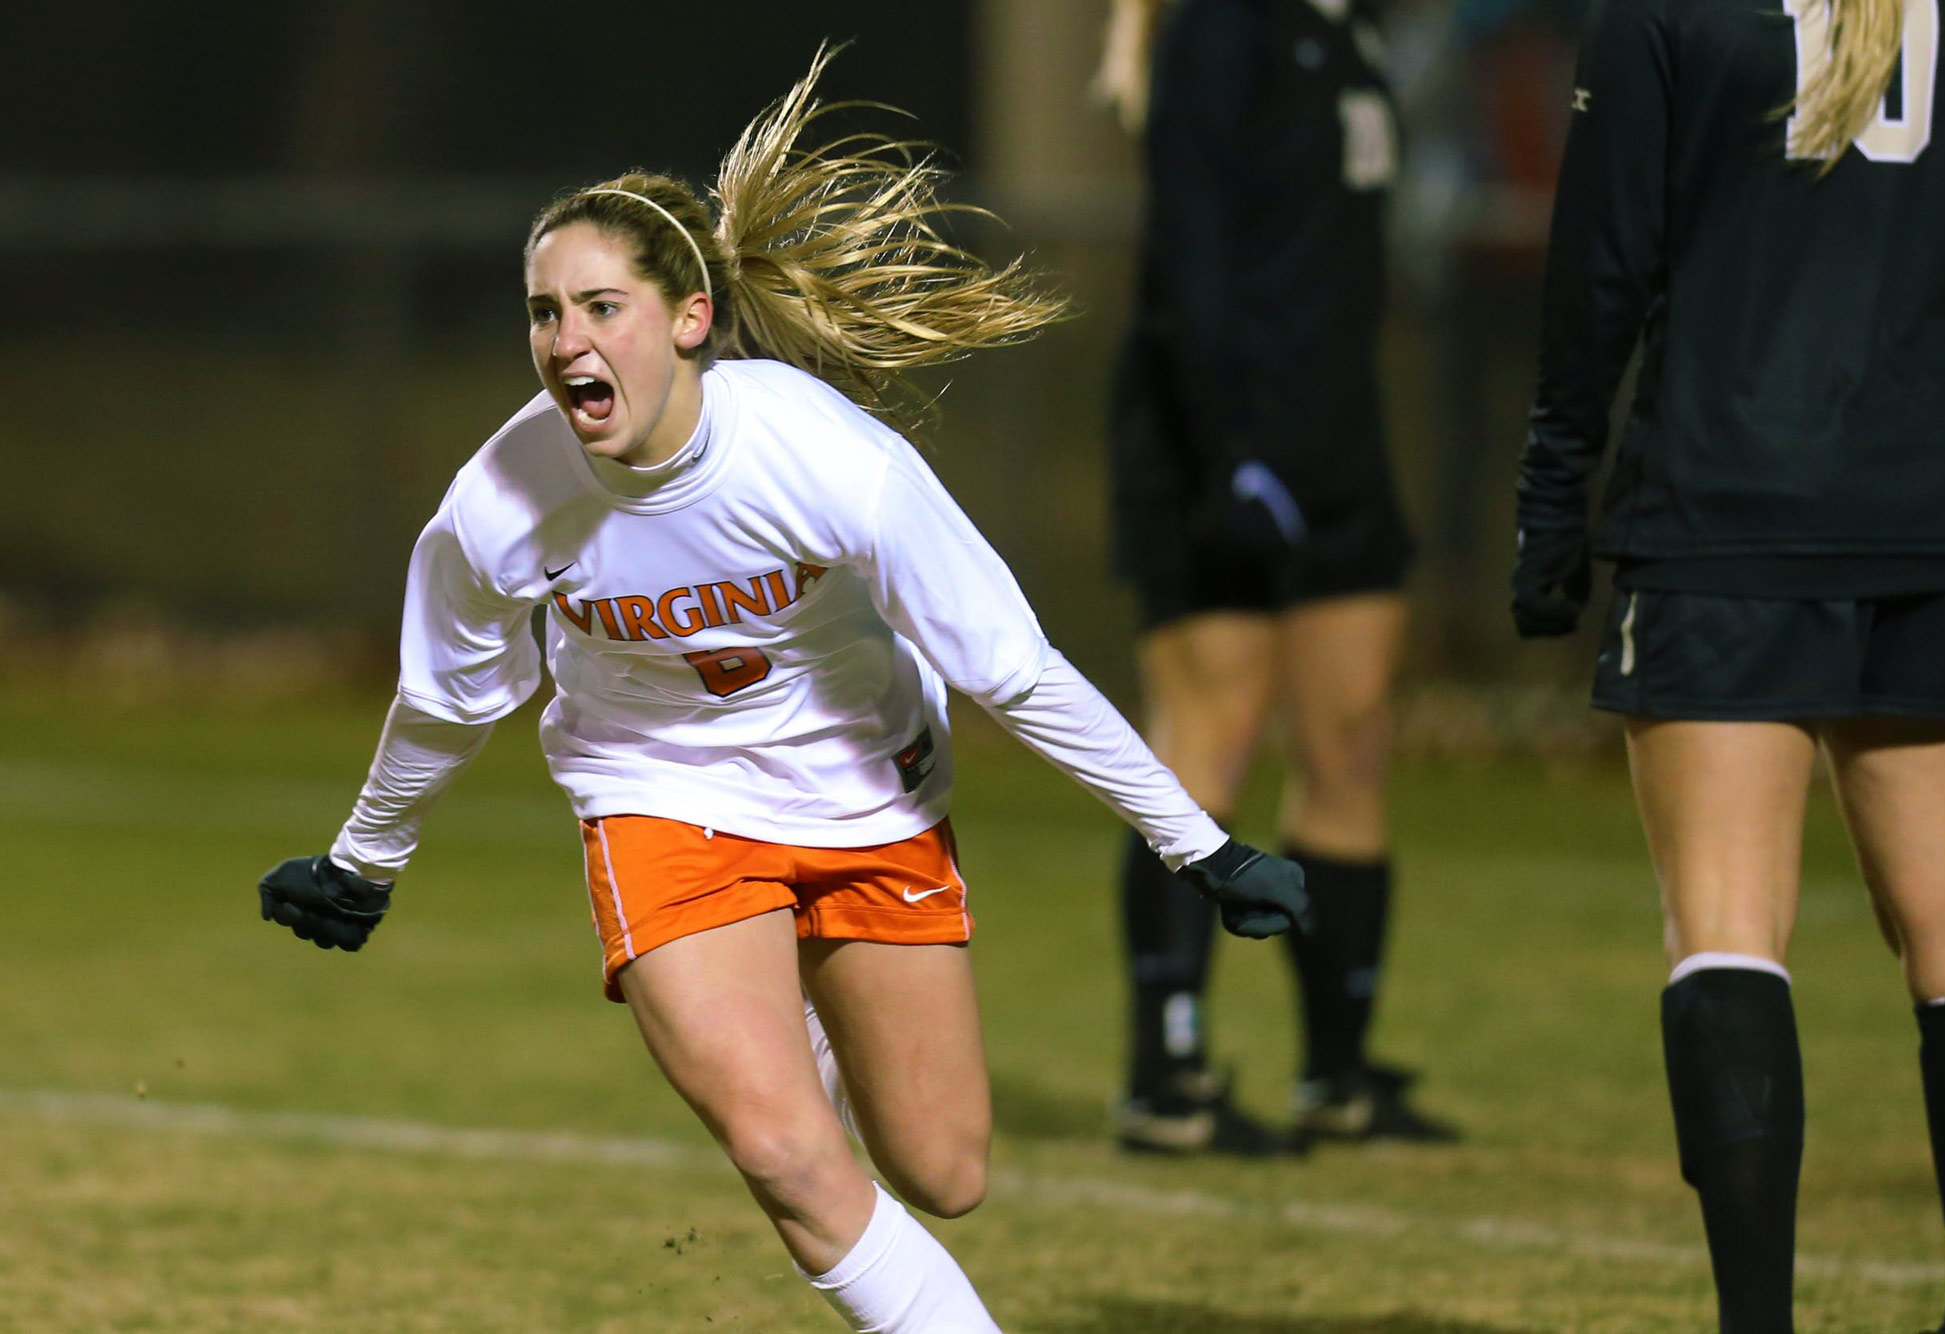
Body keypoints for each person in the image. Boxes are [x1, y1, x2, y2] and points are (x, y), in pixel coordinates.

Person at [254, 49, 1311, 1334]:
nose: (564, 341)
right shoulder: (500, 500)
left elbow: (1011, 669)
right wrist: (367, 857)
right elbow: (446, 694)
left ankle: (802, 1033)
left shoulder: (828, 459)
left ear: (688, 316)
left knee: (943, 1168)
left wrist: (1194, 840)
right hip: (661, 801)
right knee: (787, 1155)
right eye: (543, 312)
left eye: (600, 307)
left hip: (866, 790)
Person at [1514, 0, 1945, 1329]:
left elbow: (1598, 273)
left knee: (1727, 924)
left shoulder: (1666, 11)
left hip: (1726, 508)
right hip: (1939, 510)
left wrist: (1552, 507)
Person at [1095, 0, 1454, 1154]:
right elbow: (1189, 250)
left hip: (1333, 437)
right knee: (1211, 738)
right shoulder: (1221, 29)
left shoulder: (1347, 29)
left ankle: (1337, 1075)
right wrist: (1227, 448)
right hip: (1215, 440)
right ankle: (1168, 1073)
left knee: (1349, 737)